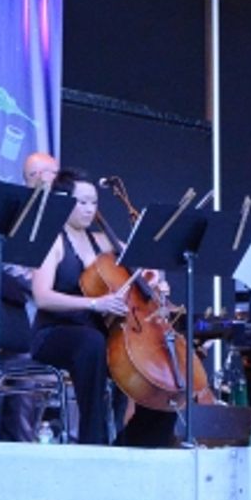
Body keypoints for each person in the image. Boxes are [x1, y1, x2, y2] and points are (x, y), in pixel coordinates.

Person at [29, 169, 178, 447]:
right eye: (82, 202)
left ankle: (138, 439)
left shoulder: (103, 240)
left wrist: (156, 280)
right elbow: (42, 297)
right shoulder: (53, 242)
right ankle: (92, 440)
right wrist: (94, 303)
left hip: (98, 332)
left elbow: (143, 260)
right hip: (55, 332)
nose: (90, 209)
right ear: (63, 202)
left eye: (94, 202)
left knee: (153, 354)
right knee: (92, 344)